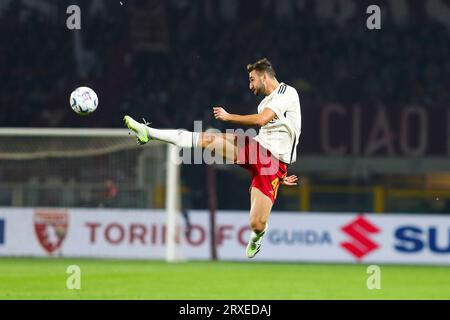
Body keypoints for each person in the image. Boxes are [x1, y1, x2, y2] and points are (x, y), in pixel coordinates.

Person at [124, 58, 301, 258]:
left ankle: (258, 235)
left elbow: (263, 120)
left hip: (273, 164)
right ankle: (147, 132)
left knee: (256, 223)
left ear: (264, 76)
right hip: (257, 149)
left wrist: (229, 117)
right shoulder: (263, 104)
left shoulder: (287, 93)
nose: (250, 86)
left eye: (252, 80)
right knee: (207, 140)